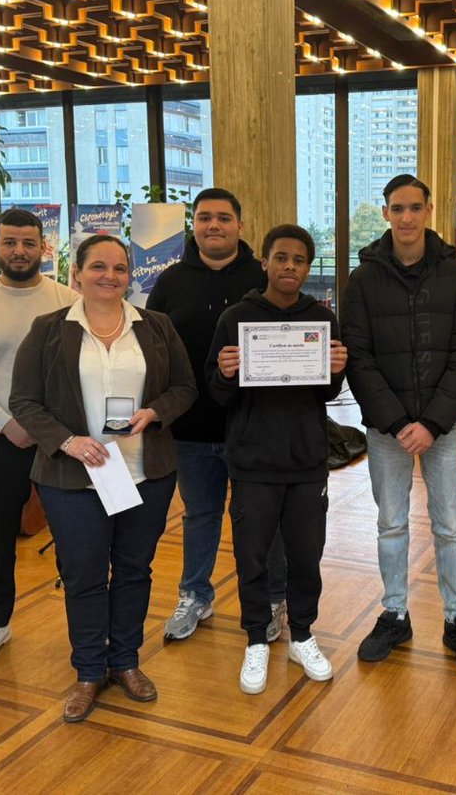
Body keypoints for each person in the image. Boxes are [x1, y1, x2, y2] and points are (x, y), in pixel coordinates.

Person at [9, 234, 196, 723]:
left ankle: (126, 661)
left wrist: (156, 410)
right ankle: (90, 670)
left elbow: (185, 387)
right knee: (84, 575)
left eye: (119, 268)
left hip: (144, 472)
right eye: (98, 267)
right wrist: (67, 441)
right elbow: (24, 402)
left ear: (130, 275)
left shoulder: (156, 326)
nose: (109, 276)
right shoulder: (49, 330)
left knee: (135, 569)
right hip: (73, 478)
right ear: (77, 274)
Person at [341, 174, 456, 672]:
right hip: (387, 431)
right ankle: (395, 612)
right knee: (391, 524)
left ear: (428, 212)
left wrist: (431, 422)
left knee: (450, 526)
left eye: (414, 208)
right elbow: (357, 358)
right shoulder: (361, 280)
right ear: (385, 213)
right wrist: (400, 421)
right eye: (396, 208)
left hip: (441, 430)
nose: (406, 217)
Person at [207, 224, 347, 694]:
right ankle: (255, 640)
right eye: (281, 258)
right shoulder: (236, 317)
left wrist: (335, 369)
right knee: (251, 557)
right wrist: (227, 373)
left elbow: (326, 392)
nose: (290, 267)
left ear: (309, 267)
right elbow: (216, 390)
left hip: (307, 461)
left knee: (307, 555)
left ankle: (303, 634)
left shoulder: (321, 318)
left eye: (300, 260)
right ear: (265, 262)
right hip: (252, 462)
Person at [145, 188, 287, 643]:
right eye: (204, 218)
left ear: (240, 226)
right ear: (194, 226)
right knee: (200, 515)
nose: (214, 226)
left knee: (264, 520)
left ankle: (271, 600)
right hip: (190, 429)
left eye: (224, 218)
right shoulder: (168, 283)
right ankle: (195, 595)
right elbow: (155, 353)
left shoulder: (261, 278)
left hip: (254, 428)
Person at [0, 208, 78, 665]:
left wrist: (44, 428)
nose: (19, 251)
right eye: (10, 242)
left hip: (59, 440)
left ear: (43, 247)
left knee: (74, 533)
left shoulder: (67, 299)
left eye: (29, 243)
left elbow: (75, 375)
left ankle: (82, 628)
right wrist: (8, 422)